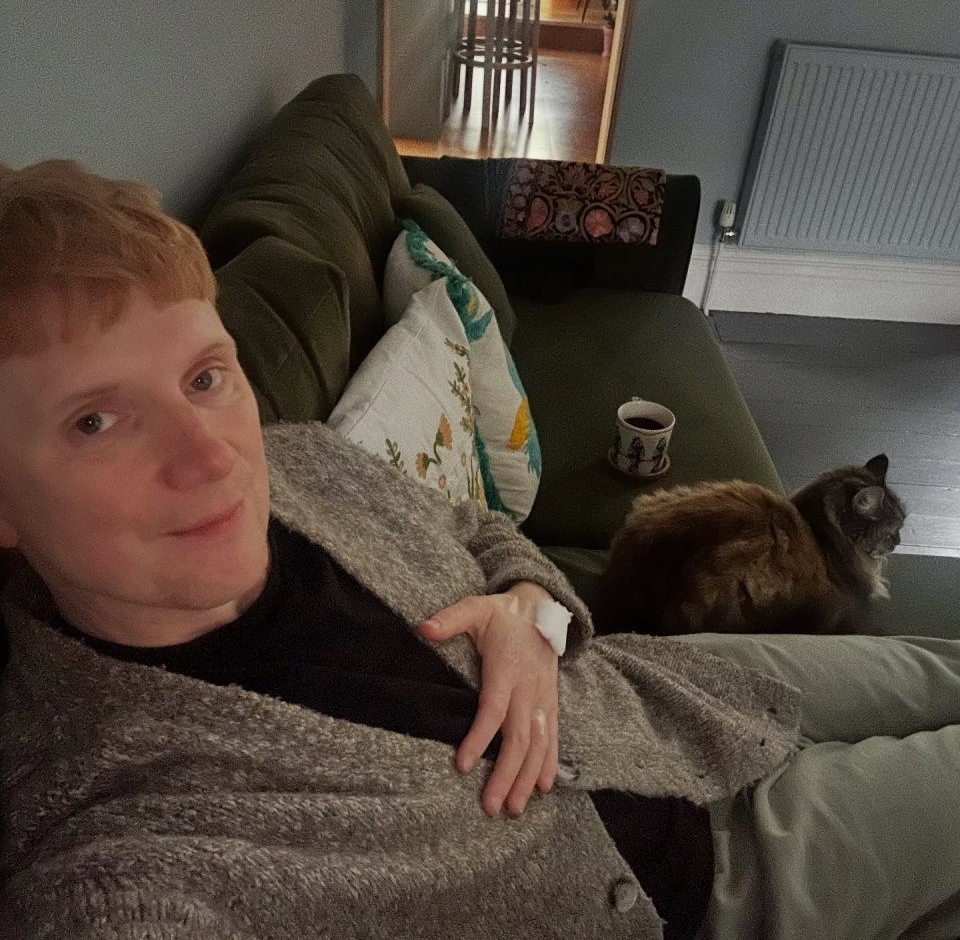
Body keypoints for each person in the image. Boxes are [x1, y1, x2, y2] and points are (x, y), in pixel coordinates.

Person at [0, 161, 958, 940]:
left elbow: (480, 529)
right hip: (713, 879)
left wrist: (531, 616)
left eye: (206, 376)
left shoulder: (300, 464)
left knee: (936, 667)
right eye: (95, 421)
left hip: (666, 692)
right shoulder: (119, 857)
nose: (212, 455)